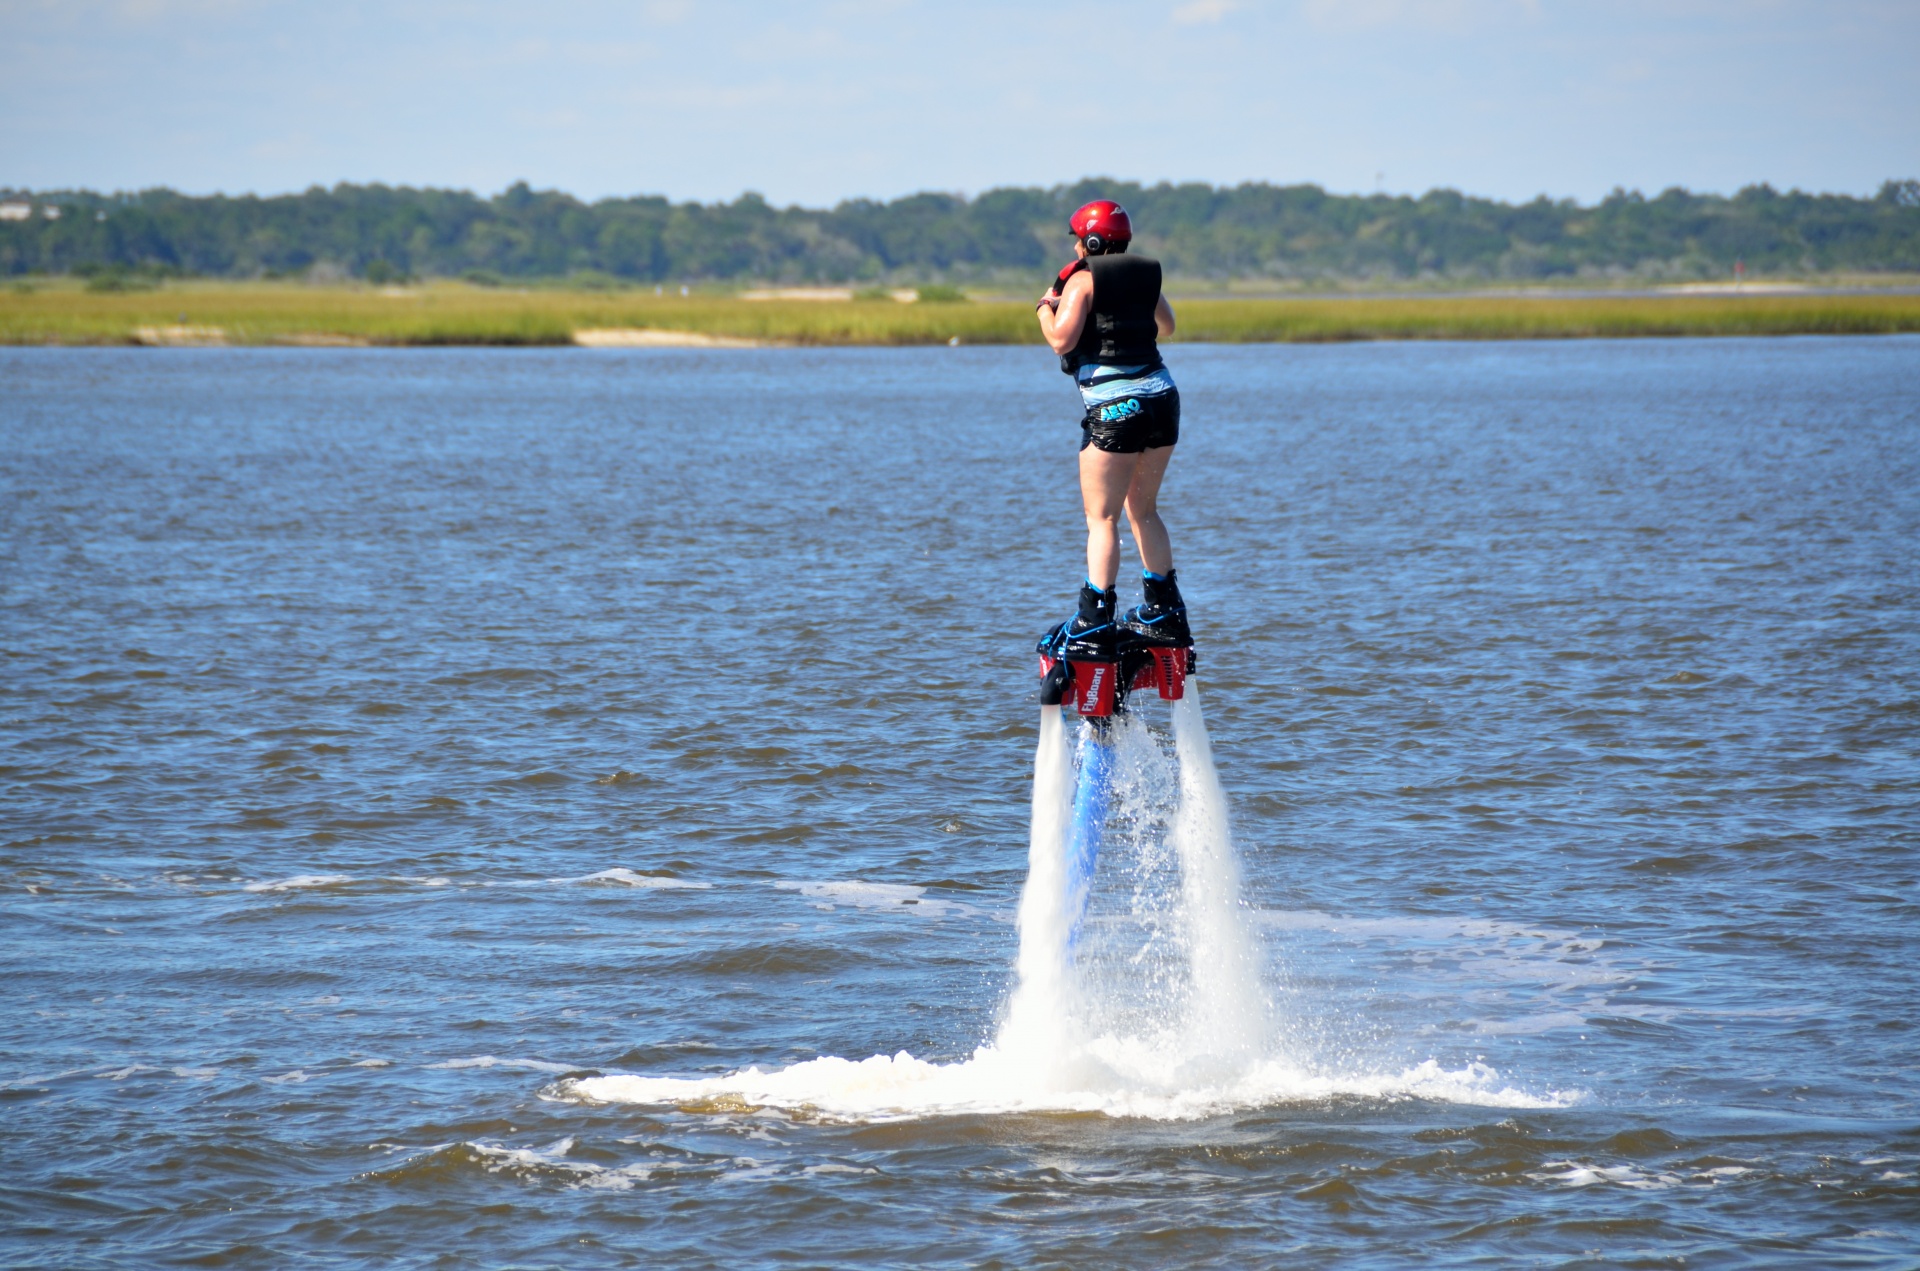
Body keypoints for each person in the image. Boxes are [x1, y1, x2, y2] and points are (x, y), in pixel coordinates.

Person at [1034, 199, 1193, 660]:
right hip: (1163, 399)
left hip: (1115, 407)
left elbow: (1062, 339)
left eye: (1081, 239)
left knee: (1101, 519)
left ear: (1093, 241)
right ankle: (1164, 610)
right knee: (1143, 510)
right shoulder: (1145, 277)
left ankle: (1094, 620)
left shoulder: (1081, 280)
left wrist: (1045, 307)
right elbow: (1168, 325)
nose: (1079, 246)